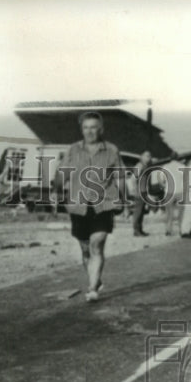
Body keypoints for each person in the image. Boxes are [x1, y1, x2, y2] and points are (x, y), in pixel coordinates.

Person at [55, 111, 124, 301]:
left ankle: (92, 288)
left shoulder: (111, 150)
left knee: (97, 245)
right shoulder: (72, 150)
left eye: (93, 127)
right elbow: (62, 175)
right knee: (85, 249)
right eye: (86, 128)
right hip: (78, 205)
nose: (89, 131)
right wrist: (58, 191)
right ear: (81, 130)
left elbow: (120, 177)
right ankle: (96, 279)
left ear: (101, 129)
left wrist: (122, 198)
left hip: (104, 204)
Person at [162, 151, 186, 235]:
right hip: (180, 191)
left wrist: (164, 186)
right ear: (178, 158)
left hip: (169, 191)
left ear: (170, 158)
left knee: (169, 212)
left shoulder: (165, 167)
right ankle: (181, 229)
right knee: (181, 212)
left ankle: (168, 230)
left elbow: (162, 180)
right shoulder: (182, 166)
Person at [131, 150, 152, 237]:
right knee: (138, 212)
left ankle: (140, 229)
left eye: (149, 156)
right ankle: (136, 231)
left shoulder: (145, 166)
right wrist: (135, 190)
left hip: (143, 192)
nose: (148, 158)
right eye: (146, 156)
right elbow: (133, 178)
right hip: (139, 193)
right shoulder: (139, 166)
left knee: (142, 212)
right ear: (141, 157)